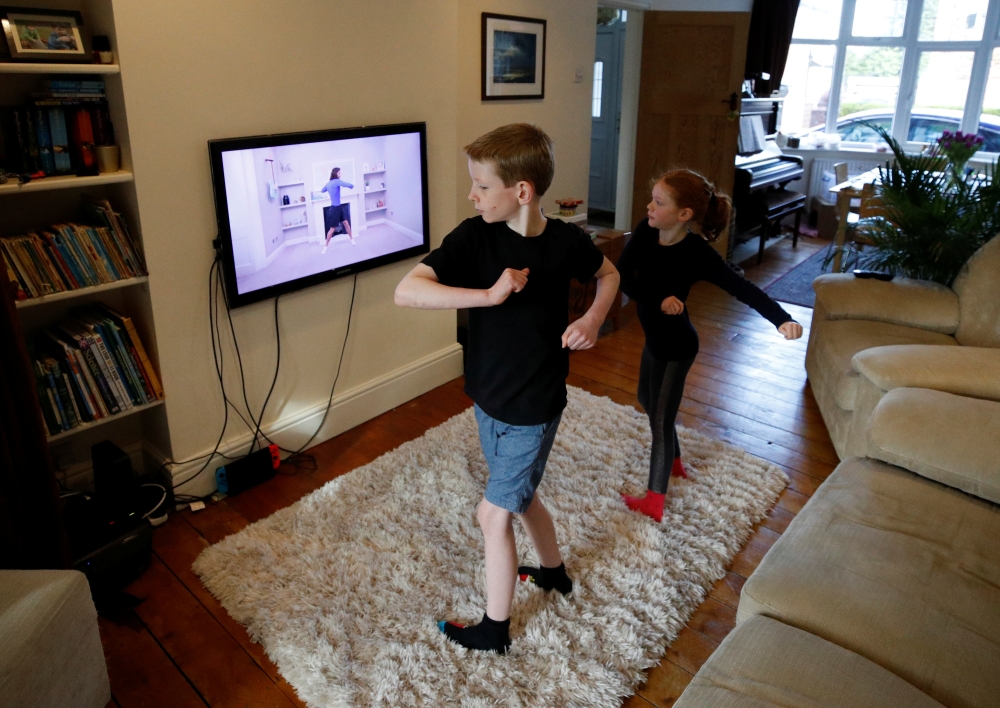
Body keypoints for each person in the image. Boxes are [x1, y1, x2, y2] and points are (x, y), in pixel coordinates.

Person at [394, 123, 620, 654]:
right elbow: (407, 291)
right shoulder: (474, 236)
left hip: (535, 404)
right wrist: (488, 295)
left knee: (492, 512)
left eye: (480, 185)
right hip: (488, 397)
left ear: (521, 191)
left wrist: (591, 319)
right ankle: (555, 573)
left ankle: (494, 630)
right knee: (520, 495)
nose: (471, 195)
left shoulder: (567, 242)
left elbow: (609, 275)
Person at [616, 169, 803, 523]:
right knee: (646, 399)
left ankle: (654, 502)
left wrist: (781, 319)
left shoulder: (697, 254)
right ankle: (674, 463)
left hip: (678, 345)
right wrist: (657, 300)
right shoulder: (645, 230)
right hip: (655, 337)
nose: (649, 207)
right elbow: (623, 274)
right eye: (652, 200)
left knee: (660, 419)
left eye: (658, 202)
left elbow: (741, 287)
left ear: (684, 214)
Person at [320, 167, 354, 251]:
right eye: (339, 173)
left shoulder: (328, 183)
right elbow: (348, 184)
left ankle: (351, 239)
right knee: (332, 229)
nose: (340, 174)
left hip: (339, 207)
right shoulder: (337, 181)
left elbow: (322, 190)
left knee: (346, 223)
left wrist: (329, 188)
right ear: (335, 173)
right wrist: (352, 186)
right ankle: (326, 246)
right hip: (335, 209)